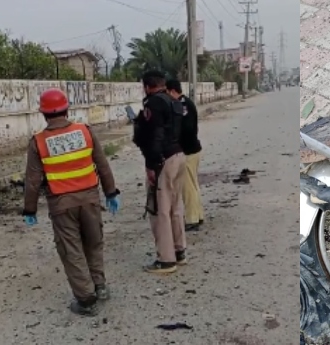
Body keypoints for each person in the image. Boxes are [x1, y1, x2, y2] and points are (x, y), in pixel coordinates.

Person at [22, 88, 121, 316]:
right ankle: (100, 286)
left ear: (44, 114)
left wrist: (30, 208)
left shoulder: (38, 142)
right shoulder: (85, 131)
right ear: (67, 109)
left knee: (71, 249)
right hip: (90, 199)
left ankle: (86, 300)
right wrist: (111, 192)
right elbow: (102, 164)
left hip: (61, 204)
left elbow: (33, 180)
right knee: (93, 242)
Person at [132, 70, 187, 274]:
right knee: (176, 206)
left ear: (147, 86)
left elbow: (154, 136)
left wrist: (151, 165)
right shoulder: (174, 102)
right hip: (179, 156)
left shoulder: (153, 103)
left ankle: (166, 260)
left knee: (160, 210)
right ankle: (179, 250)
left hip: (163, 160)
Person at [165, 79, 204, 231]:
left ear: (172, 91)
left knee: (187, 187)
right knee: (193, 186)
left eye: (167, 93)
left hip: (188, 151)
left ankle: (192, 219)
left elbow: (186, 129)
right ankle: (198, 215)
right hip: (193, 149)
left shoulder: (183, 105)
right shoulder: (184, 103)